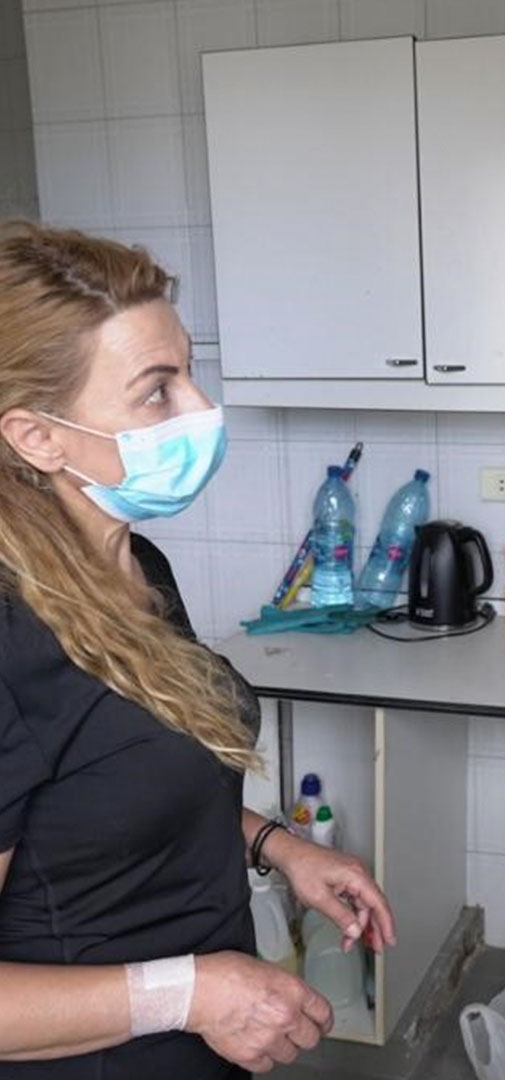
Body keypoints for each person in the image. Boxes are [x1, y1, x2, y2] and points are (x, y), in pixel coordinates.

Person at [0, 222, 396, 1079]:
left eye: (188, 371)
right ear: (37, 437)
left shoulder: (136, 566)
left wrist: (278, 847)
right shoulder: (8, 638)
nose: (201, 409)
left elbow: (121, 796)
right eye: (157, 391)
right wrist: (190, 994)